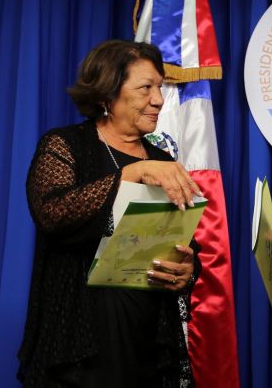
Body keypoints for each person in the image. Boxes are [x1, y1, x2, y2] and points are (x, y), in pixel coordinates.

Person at [18, 40, 203, 387]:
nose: (159, 100)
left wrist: (187, 269)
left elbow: (181, 240)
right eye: (146, 88)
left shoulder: (163, 161)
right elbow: (52, 213)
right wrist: (130, 174)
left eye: (159, 88)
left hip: (146, 336)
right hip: (80, 337)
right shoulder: (65, 144)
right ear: (106, 94)